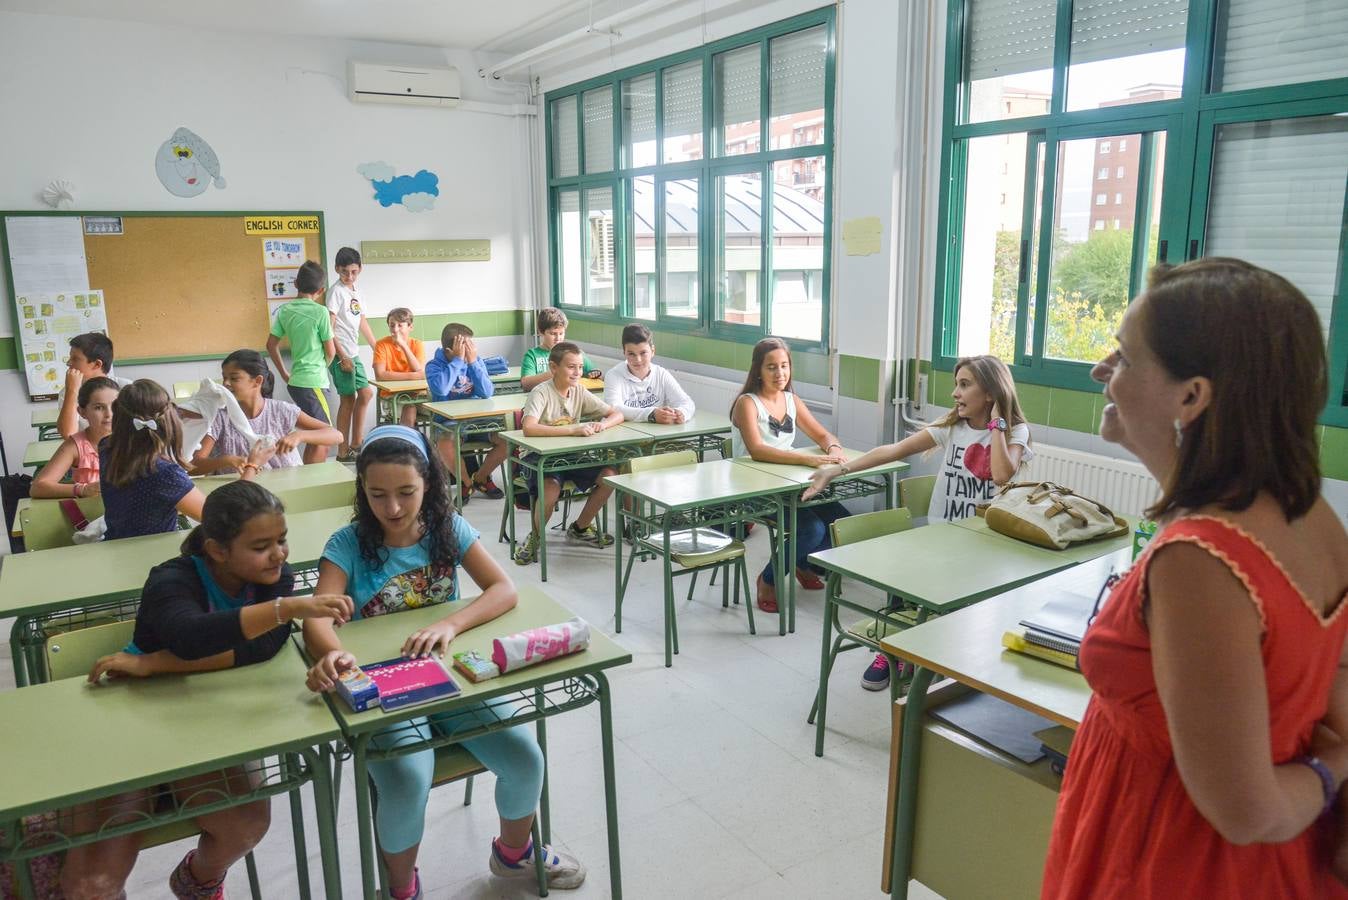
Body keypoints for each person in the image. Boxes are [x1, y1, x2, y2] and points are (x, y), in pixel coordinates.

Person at [1042, 259, 1348, 898]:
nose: (1103, 373)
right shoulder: (1311, 514)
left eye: (1123, 358)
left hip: (1173, 857)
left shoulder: (1198, 560)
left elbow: (1247, 813)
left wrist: (1332, 770)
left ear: (1191, 397)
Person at [302, 425, 586, 897]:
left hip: (450, 678)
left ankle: (513, 856)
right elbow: (316, 618)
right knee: (410, 779)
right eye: (377, 495)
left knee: (525, 758)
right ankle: (400, 888)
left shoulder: (447, 528)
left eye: (406, 493)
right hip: (384, 688)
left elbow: (503, 589)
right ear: (362, 492)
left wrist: (451, 624)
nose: (392, 508)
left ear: (429, 484)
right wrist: (335, 653)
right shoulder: (348, 544)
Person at [65, 481, 353, 900]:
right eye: (260, 546)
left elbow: (260, 648)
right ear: (218, 549)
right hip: (133, 721)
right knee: (92, 882)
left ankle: (198, 879)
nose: (278, 554)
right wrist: (284, 610)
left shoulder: (273, 578)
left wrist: (150, 664)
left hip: (202, 721)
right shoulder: (172, 579)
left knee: (246, 826)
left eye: (282, 540)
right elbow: (190, 636)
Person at [804, 354, 1032, 690]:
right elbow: (893, 450)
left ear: (991, 393)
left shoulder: (1015, 432)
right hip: (939, 540)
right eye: (956, 383)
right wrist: (835, 471)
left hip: (985, 546)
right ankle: (895, 650)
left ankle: (941, 658)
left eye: (965, 384)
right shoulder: (952, 428)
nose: (955, 393)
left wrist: (998, 424)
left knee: (967, 608)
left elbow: (1001, 474)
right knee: (908, 588)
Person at [731, 338, 848, 615]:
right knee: (812, 529)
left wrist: (833, 448)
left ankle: (798, 559)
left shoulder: (791, 400)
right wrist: (808, 459)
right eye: (771, 367)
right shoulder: (747, 403)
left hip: (789, 482)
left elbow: (822, 434)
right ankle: (769, 578)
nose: (779, 373)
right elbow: (758, 450)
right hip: (753, 488)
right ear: (758, 370)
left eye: (784, 366)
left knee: (843, 524)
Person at [101, 380, 272, 541]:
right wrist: (252, 465)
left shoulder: (107, 448)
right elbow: (224, 520)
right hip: (153, 558)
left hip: (116, 548)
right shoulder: (163, 473)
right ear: (170, 421)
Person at [513, 342, 624, 566]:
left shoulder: (579, 390)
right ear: (554, 368)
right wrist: (572, 429)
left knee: (610, 475)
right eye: (571, 367)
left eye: (580, 367)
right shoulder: (541, 392)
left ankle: (580, 527)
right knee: (551, 488)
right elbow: (529, 428)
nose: (577, 373)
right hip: (539, 457)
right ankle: (535, 537)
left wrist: (602, 425)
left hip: (570, 455)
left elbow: (616, 414)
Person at [192, 349, 341, 474]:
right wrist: (226, 460)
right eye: (224, 378)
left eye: (234, 378)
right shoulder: (219, 417)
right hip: (243, 494)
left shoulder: (281, 410)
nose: (226, 383)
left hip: (287, 485)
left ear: (257, 381)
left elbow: (336, 435)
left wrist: (300, 435)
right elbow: (193, 466)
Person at [426, 322, 508, 502]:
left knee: (508, 441)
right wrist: (457, 361)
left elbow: (487, 392)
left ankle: (481, 477)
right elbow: (440, 389)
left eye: (472, 345)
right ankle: (465, 483)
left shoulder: (475, 361)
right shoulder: (434, 365)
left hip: (478, 420)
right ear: (449, 350)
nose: (472, 349)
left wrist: (472, 362)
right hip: (449, 422)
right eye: (466, 346)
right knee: (444, 445)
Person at [267, 260, 337, 464]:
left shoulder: (285, 310)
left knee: (316, 436)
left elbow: (271, 345)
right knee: (325, 435)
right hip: (313, 382)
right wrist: (323, 366)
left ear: (296, 284)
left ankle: (308, 475)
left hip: (296, 382)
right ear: (321, 290)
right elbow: (330, 350)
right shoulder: (320, 312)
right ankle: (313, 479)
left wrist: (283, 373)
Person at [327, 247, 378, 460]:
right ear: (337, 269)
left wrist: (377, 347)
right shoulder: (335, 291)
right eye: (345, 272)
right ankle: (342, 450)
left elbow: (362, 321)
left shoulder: (357, 292)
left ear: (360, 270)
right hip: (341, 355)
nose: (349, 276)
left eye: (354, 271)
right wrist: (342, 357)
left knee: (365, 393)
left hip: (353, 353)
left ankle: (357, 442)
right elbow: (328, 329)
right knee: (347, 399)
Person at [30, 376, 119, 500]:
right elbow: (37, 487)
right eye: (98, 407)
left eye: (115, 407)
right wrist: (83, 489)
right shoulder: (76, 445)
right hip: (92, 514)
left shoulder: (131, 440)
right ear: (82, 412)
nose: (109, 414)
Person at [604, 323, 695, 424]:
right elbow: (613, 409)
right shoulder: (613, 375)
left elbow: (687, 402)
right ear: (624, 352)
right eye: (631, 354)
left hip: (656, 435)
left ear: (653, 351)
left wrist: (681, 413)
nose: (638, 360)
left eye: (643, 353)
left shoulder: (661, 374)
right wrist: (651, 414)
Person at [56, 332, 132, 439]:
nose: (68, 363)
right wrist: (72, 390)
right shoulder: (68, 392)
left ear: (97, 364)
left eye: (75, 359)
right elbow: (68, 434)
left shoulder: (126, 388)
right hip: (87, 452)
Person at [519, 308, 601, 391]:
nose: (558, 338)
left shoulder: (574, 353)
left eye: (561, 333)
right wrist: (556, 372)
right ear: (541, 332)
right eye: (553, 334)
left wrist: (594, 374)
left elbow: (596, 375)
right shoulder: (532, 355)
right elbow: (526, 384)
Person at [372, 307, 427, 428]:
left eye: (400, 325)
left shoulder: (417, 344)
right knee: (410, 408)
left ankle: (427, 445)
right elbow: (380, 375)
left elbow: (418, 369)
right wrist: (414, 376)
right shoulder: (381, 345)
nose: (395, 330)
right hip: (392, 397)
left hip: (417, 394)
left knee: (436, 410)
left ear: (410, 327)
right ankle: (406, 443)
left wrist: (403, 346)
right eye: (392, 325)